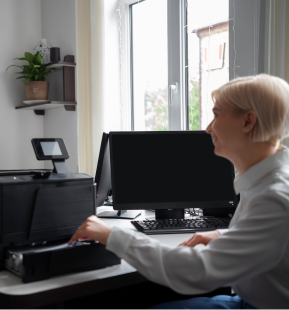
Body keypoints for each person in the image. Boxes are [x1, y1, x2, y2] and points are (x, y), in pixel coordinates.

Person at [69, 74, 289, 310]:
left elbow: (197, 271)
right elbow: (272, 242)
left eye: (216, 115)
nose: (208, 128)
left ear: (248, 121)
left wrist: (112, 235)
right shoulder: (264, 181)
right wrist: (222, 237)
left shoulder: (273, 198)